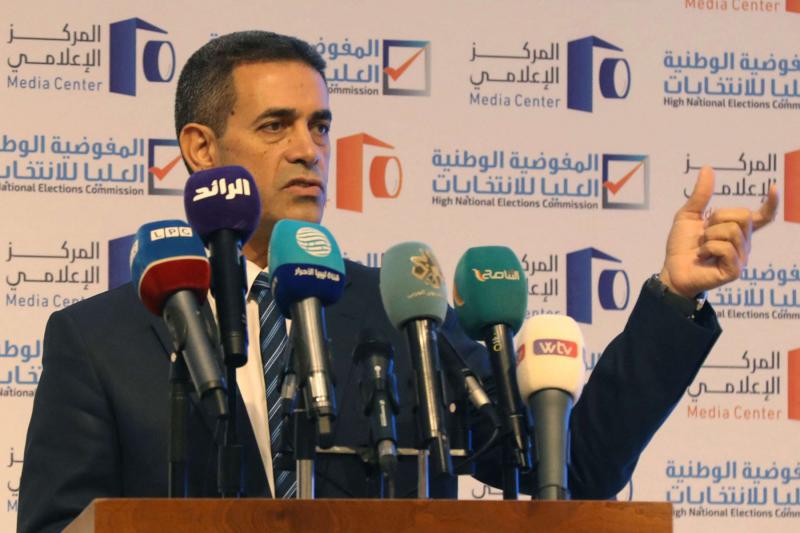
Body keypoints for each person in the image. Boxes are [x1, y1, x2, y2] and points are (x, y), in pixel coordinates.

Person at [17, 30, 779, 532]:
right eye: (277, 125)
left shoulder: (400, 312)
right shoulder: (98, 339)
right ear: (201, 148)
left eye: (320, 126)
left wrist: (675, 295)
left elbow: (572, 470)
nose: (309, 150)